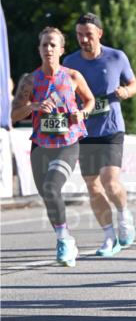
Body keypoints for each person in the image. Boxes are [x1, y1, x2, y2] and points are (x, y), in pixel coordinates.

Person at [11, 27, 94, 266]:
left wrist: (82, 113)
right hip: (40, 144)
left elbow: (89, 100)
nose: (48, 49)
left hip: (67, 143)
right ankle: (66, 236)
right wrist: (33, 106)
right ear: (39, 49)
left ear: (61, 49)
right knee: (48, 194)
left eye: (53, 45)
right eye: (44, 45)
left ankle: (63, 242)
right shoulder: (30, 80)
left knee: (51, 185)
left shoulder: (73, 76)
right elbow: (14, 114)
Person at [63, 12, 136, 257]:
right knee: (92, 186)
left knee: (109, 181)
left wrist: (127, 92)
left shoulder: (116, 57)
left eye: (88, 35)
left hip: (111, 128)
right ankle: (109, 236)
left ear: (99, 34)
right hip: (84, 131)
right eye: (79, 35)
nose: (84, 40)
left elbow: (135, 84)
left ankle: (124, 214)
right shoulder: (70, 62)